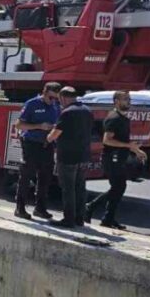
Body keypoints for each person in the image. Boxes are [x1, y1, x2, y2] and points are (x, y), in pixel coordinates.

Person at [86, 91, 147, 230]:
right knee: (118, 187)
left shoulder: (124, 118)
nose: (128, 101)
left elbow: (124, 140)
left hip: (120, 158)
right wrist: (129, 146)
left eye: (129, 99)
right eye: (125, 99)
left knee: (119, 188)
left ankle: (108, 219)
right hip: (111, 158)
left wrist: (136, 150)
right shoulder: (114, 118)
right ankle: (90, 207)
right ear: (116, 101)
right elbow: (107, 140)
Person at [46, 87, 93, 228]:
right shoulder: (87, 111)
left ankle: (68, 219)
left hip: (67, 157)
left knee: (68, 189)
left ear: (63, 98)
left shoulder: (67, 113)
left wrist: (48, 138)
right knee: (80, 188)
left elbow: (54, 134)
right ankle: (80, 219)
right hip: (84, 155)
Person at [14, 82, 62, 220]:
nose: (53, 101)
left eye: (55, 98)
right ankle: (20, 207)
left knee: (45, 176)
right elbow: (19, 124)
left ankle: (40, 208)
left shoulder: (56, 106)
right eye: (51, 98)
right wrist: (39, 126)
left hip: (47, 144)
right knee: (26, 175)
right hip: (31, 143)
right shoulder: (32, 104)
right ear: (44, 92)